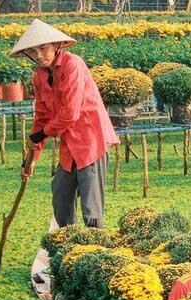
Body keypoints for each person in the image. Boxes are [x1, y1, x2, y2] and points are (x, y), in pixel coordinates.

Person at [10, 19, 119, 228]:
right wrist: (31, 157)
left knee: (91, 208)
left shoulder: (73, 65)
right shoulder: (40, 75)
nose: (39, 56)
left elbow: (71, 112)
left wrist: (42, 134)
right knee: (61, 196)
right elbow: (41, 115)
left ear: (56, 45)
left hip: (91, 140)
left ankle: (94, 250)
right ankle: (69, 246)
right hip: (69, 145)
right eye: (32, 52)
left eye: (43, 48)